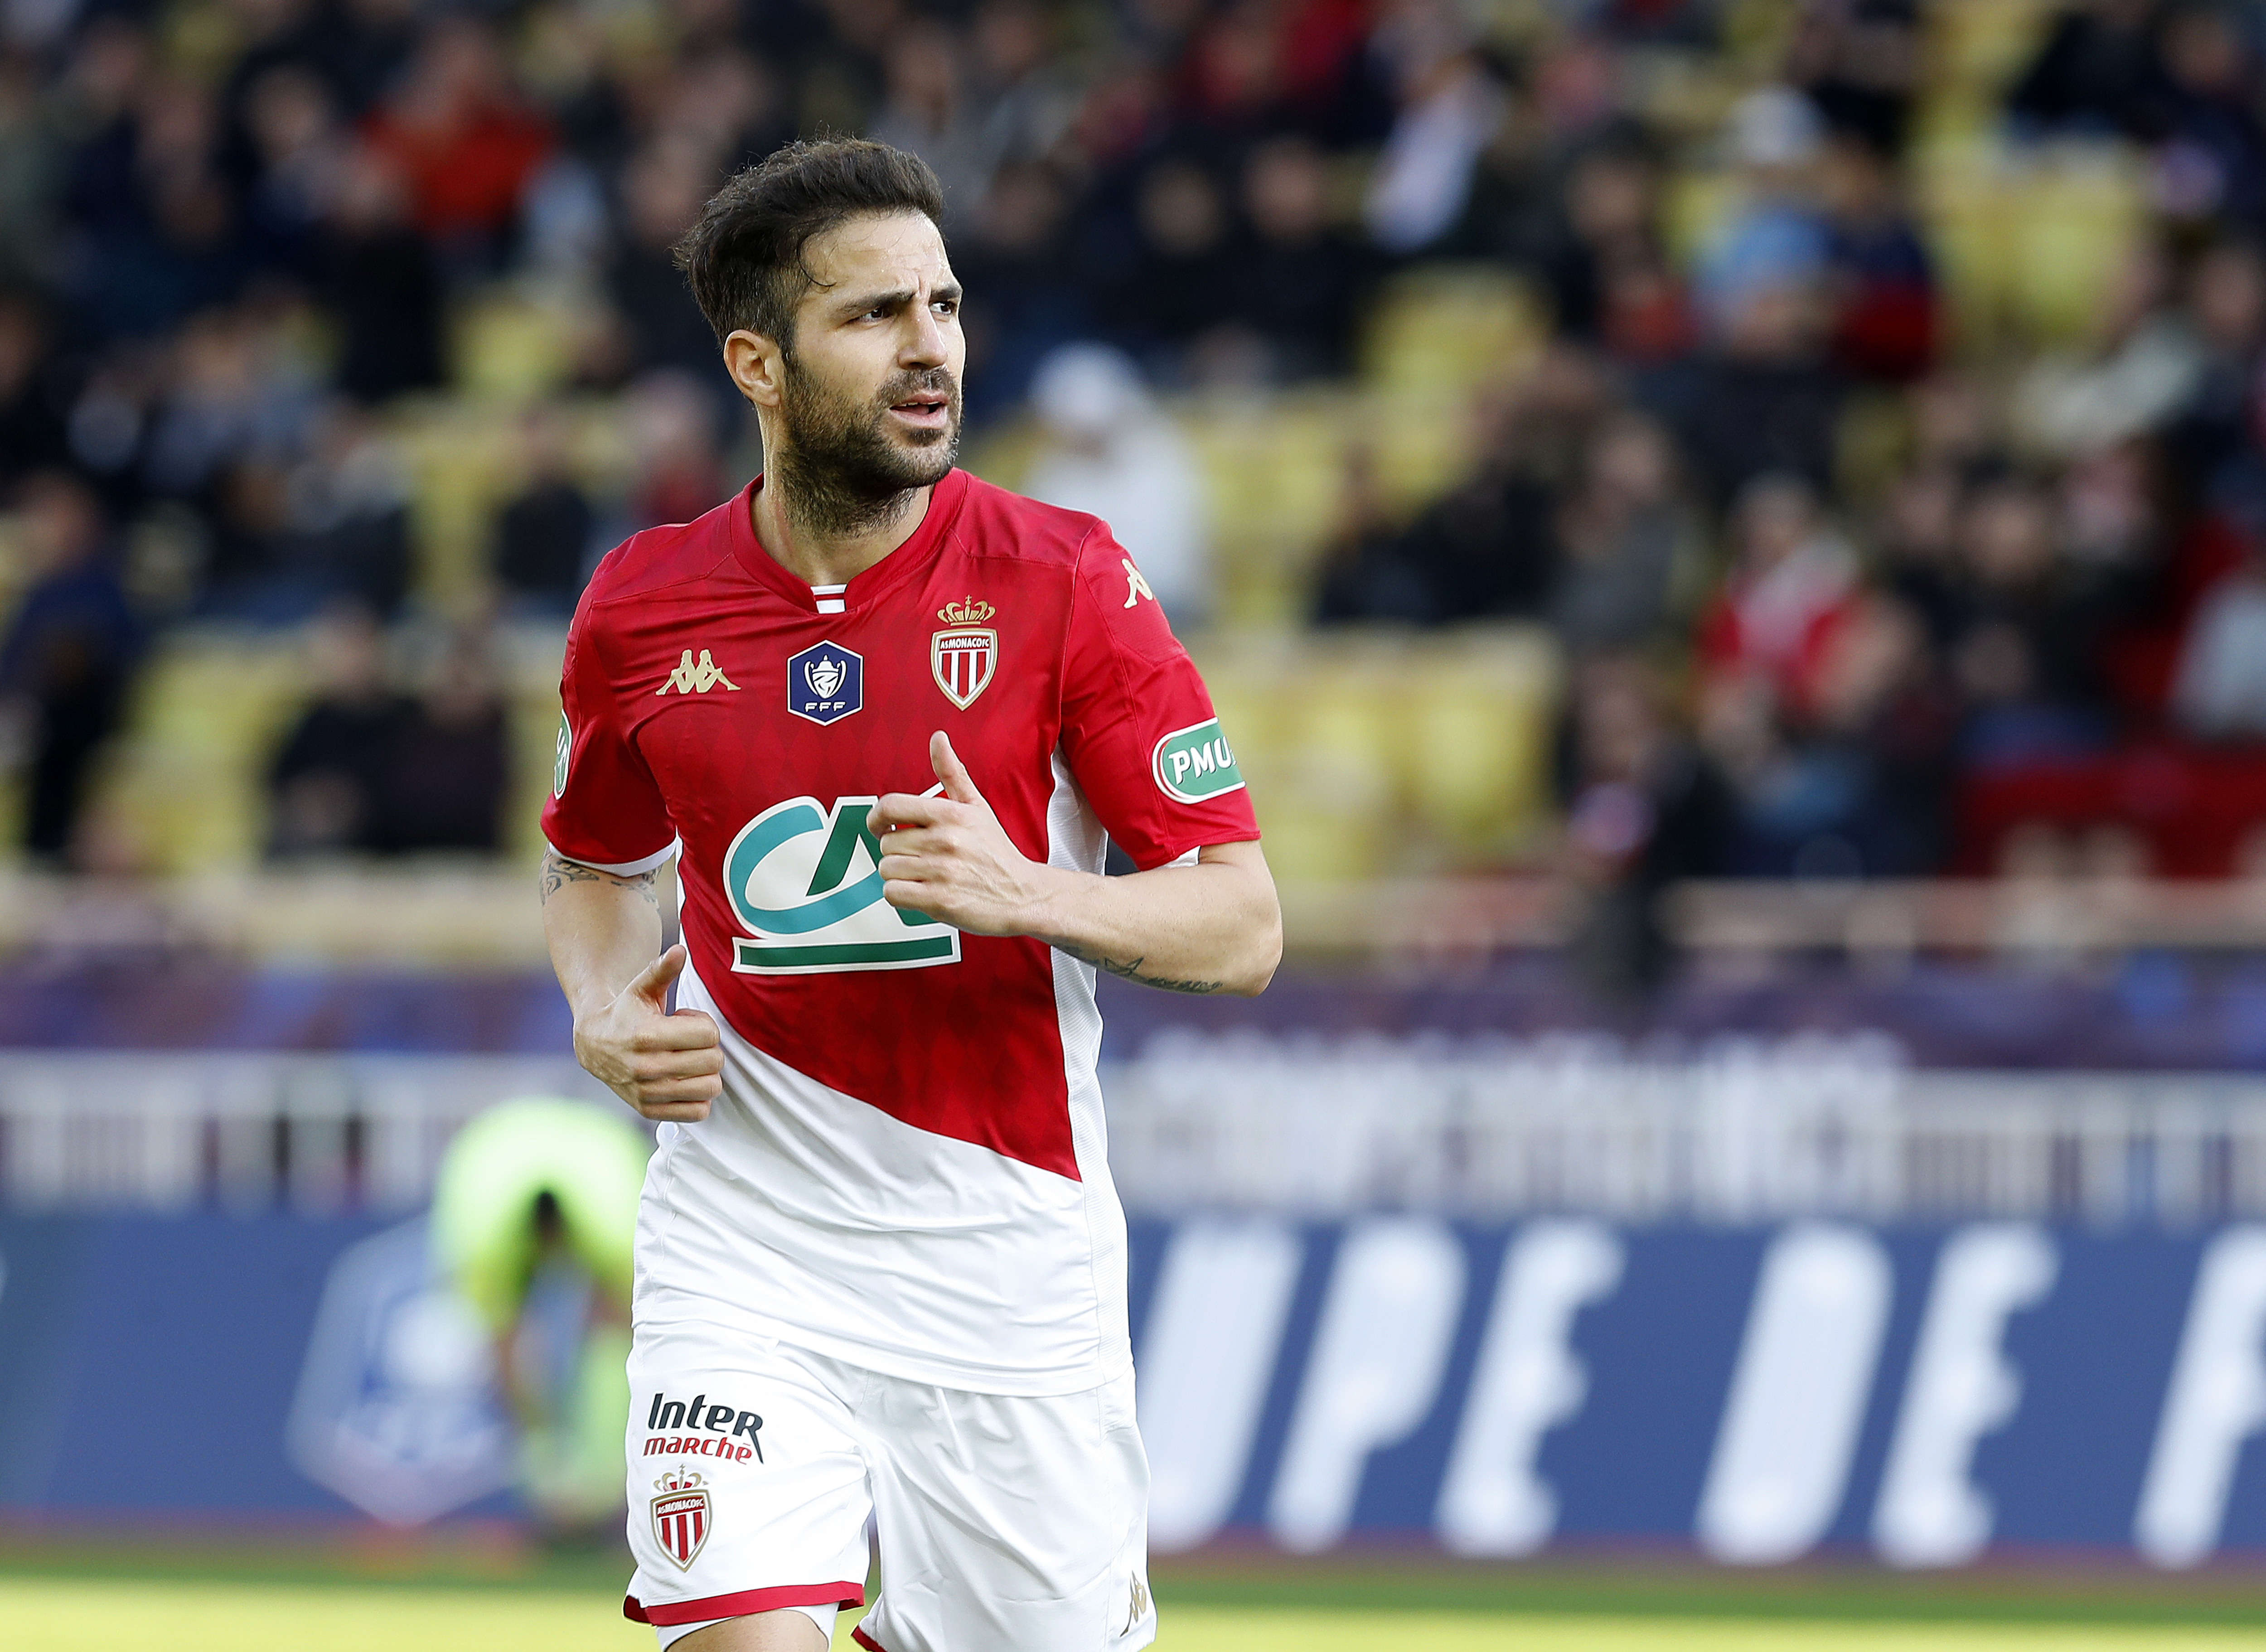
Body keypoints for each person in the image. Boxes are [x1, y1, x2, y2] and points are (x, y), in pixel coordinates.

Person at [537, 138, 1281, 1652]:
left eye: (942, 304)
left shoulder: (1065, 577)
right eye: (873, 314)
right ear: (758, 362)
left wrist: (1034, 892)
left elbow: (1242, 919)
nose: (931, 346)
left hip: (1006, 1253)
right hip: (745, 1238)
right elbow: (595, 864)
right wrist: (603, 1005)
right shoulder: (640, 605)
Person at [428, 1096, 652, 1532]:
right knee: (514, 1357)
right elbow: (502, 1342)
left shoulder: (618, 1220)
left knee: (614, 1341)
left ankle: (602, 1488)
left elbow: (621, 1329)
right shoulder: (481, 1238)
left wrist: (600, 1469)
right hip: (492, 1156)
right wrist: (541, 1446)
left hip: (596, 1154)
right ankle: (553, 1484)